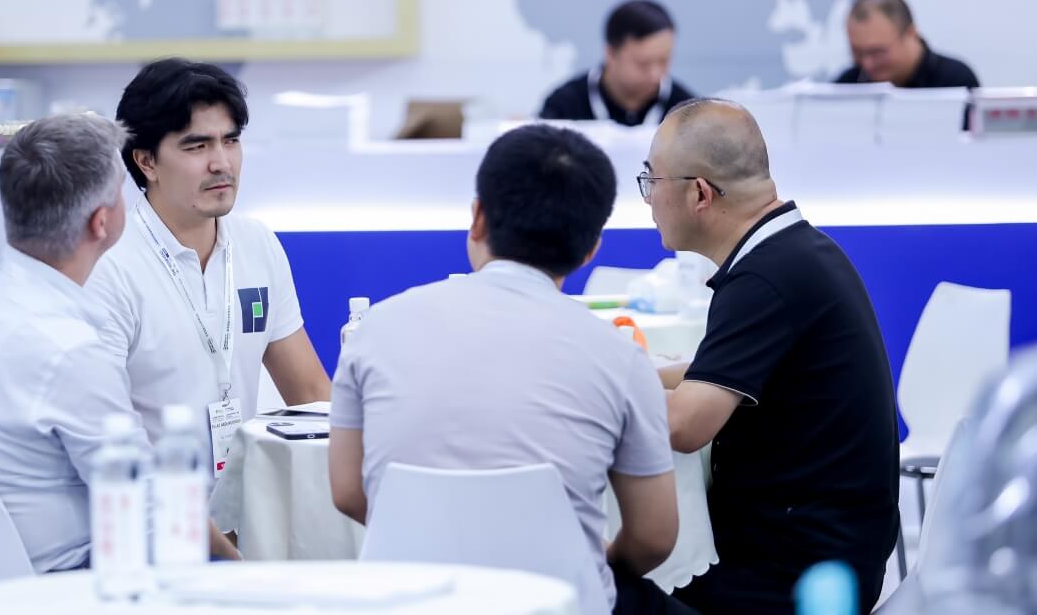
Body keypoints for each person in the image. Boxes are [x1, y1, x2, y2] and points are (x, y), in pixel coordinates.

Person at [329, 124, 696, 615]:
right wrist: (584, 560)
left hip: (408, 601)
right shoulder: (620, 358)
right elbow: (654, 538)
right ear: (592, 247)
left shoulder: (373, 330)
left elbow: (348, 492)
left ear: (478, 218)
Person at [0, 113, 239, 571]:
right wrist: (241, 567)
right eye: (121, 191)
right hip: (70, 582)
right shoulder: (67, 350)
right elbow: (158, 521)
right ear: (102, 222)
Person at [639, 98, 900, 613]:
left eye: (652, 180)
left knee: (610, 586)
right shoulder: (794, 252)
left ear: (699, 193)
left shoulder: (764, 278)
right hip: (826, 552)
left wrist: (592, 390)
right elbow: (716, 373)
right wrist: (632, 371)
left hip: (794, 575)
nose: (647, 199)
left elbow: (685, 426)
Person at [88, 59, 330, 475]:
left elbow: (310, 393)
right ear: (146, 162)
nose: (222, 163)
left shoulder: (257, 244)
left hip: (248, 498)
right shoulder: (109, 266)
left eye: (230, 141)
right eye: (197, 147)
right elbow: (98, 432)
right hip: (155, 502)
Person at [540, 0, 694, 126]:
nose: (655, 75)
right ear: (610, 54)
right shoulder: (564, 106)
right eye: (643, 64)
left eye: (664, 61)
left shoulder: (687, 112)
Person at [835, 0, 979, 90]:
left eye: (877, 52)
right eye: (857, 52)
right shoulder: (847, 87)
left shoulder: (955, 83)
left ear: (911, 34)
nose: (867, 64)